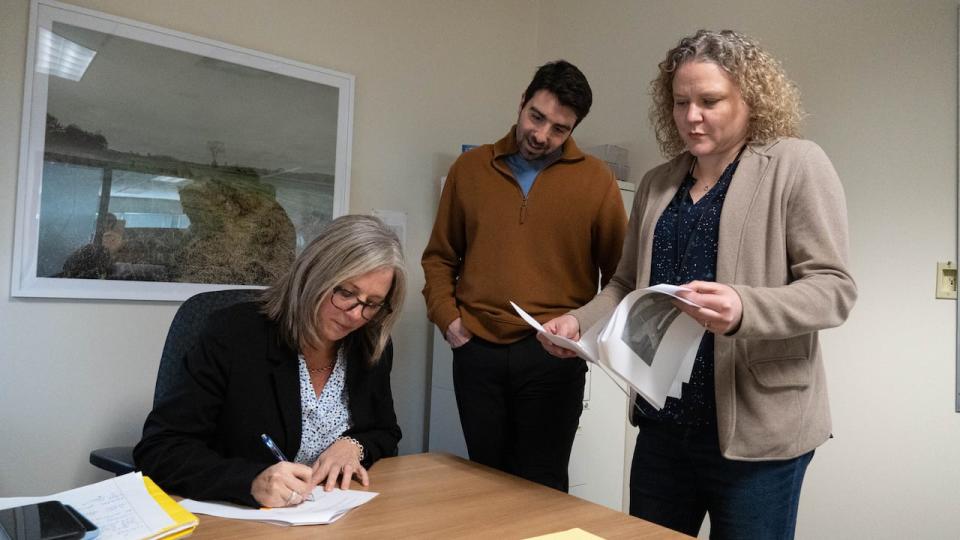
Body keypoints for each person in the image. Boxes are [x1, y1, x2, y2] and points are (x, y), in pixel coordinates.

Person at [539, 30, 857, 538]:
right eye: (681, 102)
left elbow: (834, 289)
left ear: (750, 98)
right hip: (663, 426)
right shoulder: (657, 183)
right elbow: (624, 283)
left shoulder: (796, 164)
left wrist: (743, 308)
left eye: (709, 101)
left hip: (756, 434)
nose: (691, 116)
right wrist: (579, 321)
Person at [421, 60, 627, 491]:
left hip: (552, 356)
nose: (541, 135)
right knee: (486, 482)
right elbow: (439, 258)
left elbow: (621, 278)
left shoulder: (597, 181)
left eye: (559, 129)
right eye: (537, 117)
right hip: (477, 350)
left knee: (544, 486)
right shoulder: (469, 170)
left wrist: (582, 330)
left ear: (574, 130)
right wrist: (448, 319)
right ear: (522, 102)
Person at [134, 215, 405, 508]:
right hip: (240, 517)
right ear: (315, 274)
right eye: (346, 293)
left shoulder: (369, 343)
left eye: (372, 303)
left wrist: (354, 446)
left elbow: (385, 431)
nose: (355, 314)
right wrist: (250, 481)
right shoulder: (235, 333)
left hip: (333, 515)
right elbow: (160, 449)